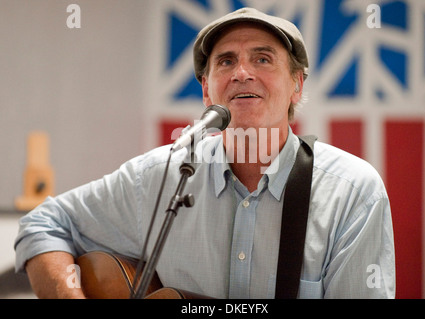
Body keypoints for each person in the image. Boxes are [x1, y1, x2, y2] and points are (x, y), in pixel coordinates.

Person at [15, 7, 395, 299]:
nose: (242, 73)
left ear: (296, 85)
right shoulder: (161, 176)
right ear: (206, 90)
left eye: (263, 59)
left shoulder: (352, 193)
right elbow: (43, 223)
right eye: (226, 61)